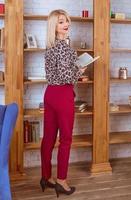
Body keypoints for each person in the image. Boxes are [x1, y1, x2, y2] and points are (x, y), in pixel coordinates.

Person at [40, 9, 87, 197]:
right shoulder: (64, 47)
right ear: (54, 26)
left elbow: (55, 73)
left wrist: (74, 68)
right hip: (63, 95)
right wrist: (80, 71)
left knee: (49, 138)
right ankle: (61, 180)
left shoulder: (49, 47)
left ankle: (46, 177)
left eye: (66, 21)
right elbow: (66, 75)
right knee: (65, 139)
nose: (66, 24)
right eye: (61, 22)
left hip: (50, 93)